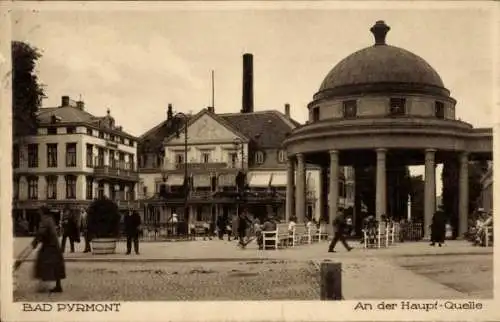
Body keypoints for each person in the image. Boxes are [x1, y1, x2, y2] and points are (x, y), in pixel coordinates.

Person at [32, 206, 66, 293]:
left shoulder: (45, 219)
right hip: (54, 245)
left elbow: (42, 232)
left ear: (43, 212)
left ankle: (42, 285)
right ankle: (58, 286)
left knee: (42, 263)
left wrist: (35, 242)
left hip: (49, 246)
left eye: (39, 211)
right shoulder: (50, 219)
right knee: (56, 266)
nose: (39, 213)